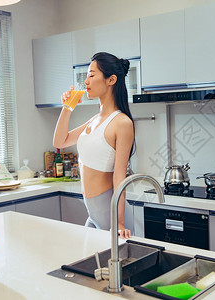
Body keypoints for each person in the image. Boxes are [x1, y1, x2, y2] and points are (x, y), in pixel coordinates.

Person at [53, 52, 134, 239]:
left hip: (110, 217)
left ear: (111, 80)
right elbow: (60, 142)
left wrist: (119, 223)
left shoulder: (122, 123)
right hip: (93, 215)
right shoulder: (95, 120)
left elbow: (119, 176)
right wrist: (67, 107)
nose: (86, 81)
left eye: (91, 75)